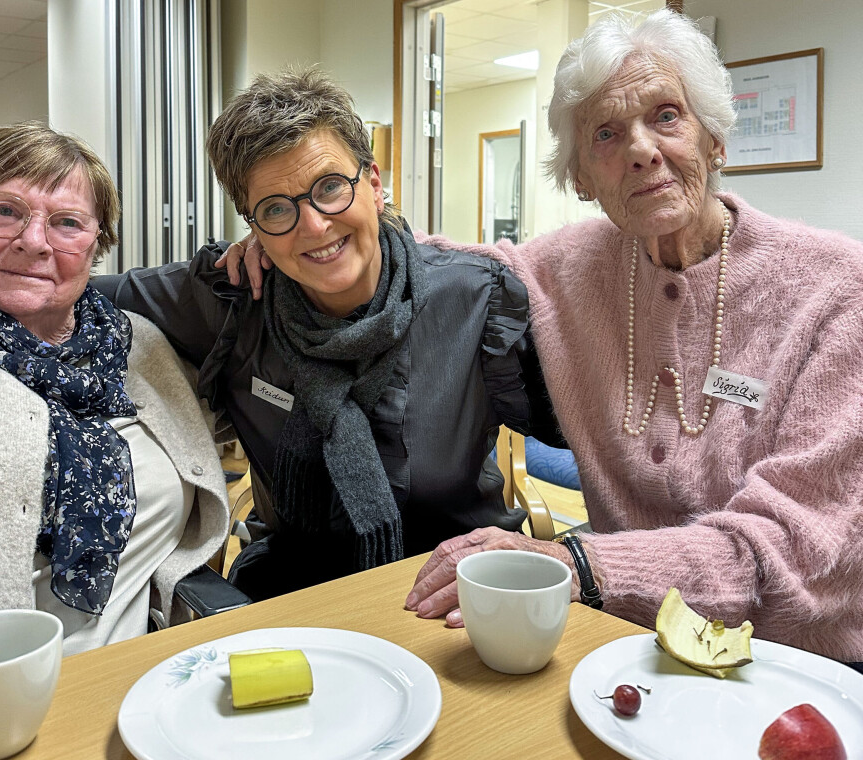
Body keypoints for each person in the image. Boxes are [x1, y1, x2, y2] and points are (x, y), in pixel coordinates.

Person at [232, 11, 863, 665]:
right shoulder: (567, 269)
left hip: (797, 663)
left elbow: (799, 556)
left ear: (716, 140)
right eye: (607, 134)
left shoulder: (833, 290)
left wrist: (581, 565)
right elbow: (430, 264)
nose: (642, 148)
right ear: (582, 178)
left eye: (667, 115)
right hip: (628, 649)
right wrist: (301, 231)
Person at [96, 69, 553, 602]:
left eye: (330, 187)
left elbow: (588, 420)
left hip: (463, 589)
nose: (313, 226)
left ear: (375, 184)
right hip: (298, 592)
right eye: (276, 208)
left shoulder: (474, 299)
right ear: (253, 226)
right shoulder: (235, 298)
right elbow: (62, 292)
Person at [0, 123, 230, 685]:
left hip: (148, 684)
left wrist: (406, 250)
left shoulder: (136, 343)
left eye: (67, 223)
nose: (34, 241)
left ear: (96, 244)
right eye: (4, 211)